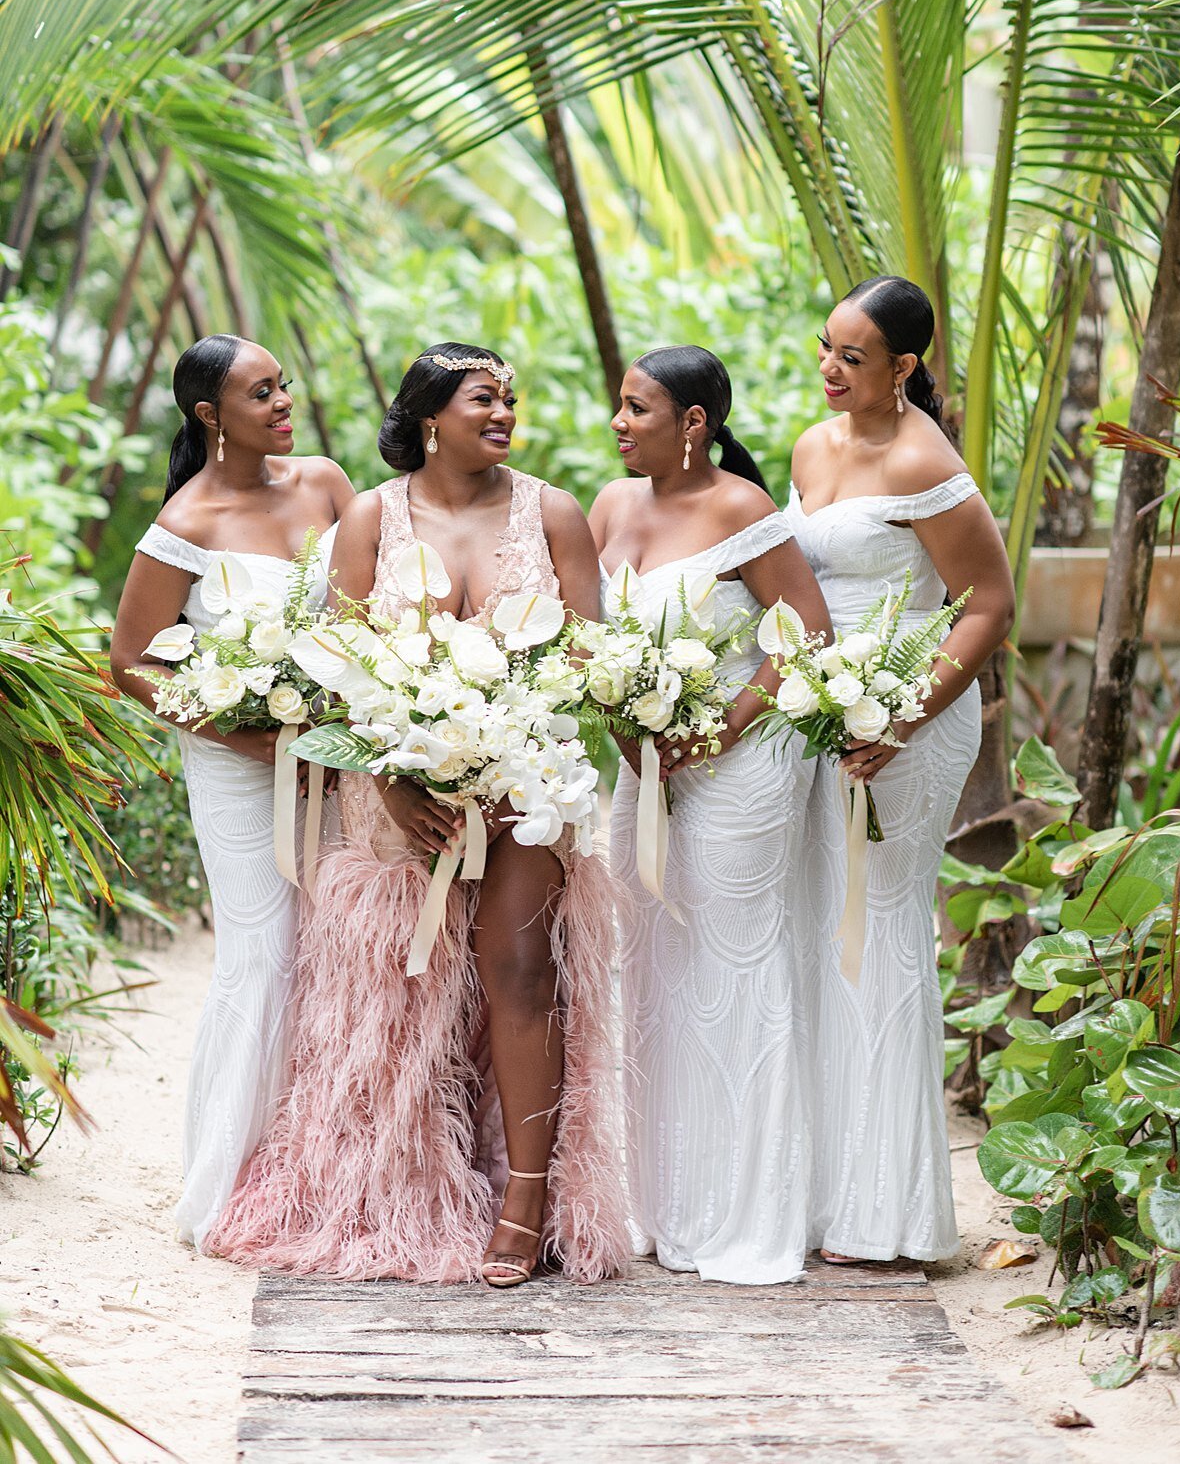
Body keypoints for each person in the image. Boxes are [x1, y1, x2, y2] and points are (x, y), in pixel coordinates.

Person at [208, 342, 628, 1287]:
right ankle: (404, 1186)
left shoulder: (553, 511)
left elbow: (593, 659)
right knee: (407, 989)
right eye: (485, 398)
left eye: (510, 398)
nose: (505, 412)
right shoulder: (370, 516)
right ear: (431, 414)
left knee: (520, 970)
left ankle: (525, 1201)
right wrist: (397, 775)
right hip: (397, 787)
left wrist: (517, 739)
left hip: (526, 780)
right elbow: (341, 668)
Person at [785, 277, 1015, 1263]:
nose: (830, 370)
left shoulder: (928, 465)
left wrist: (905, 714)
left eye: (852, 357)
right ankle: (833, 1191)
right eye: (827, 349)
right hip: (830, 710)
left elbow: (988, 604)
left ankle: (893, 1216)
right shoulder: (810, 447)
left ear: (904, 367)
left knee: (882, 932)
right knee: (826, 931)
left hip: (918, 710)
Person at [590, 344, 830, 1284]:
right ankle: (666, 1205)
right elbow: (590, 637)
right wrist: (622, 722)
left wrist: (723, 730)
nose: (618, 421)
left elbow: (805, 628)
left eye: (637, 408)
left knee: (734, 972)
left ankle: (748, 1217)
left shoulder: (741, 509)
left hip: (740, 763)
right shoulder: (611, 507)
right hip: (640, 768)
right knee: (648, 966)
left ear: (693, 424)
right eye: (619, 405)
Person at [110, 335, 354, 1249]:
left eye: (283, 383)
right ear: (211, 415)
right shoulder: (186, 521)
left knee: (334, 948)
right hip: (236, 761)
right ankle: (229, 1181)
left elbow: (373, 598)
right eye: (261, 392)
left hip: (339, 754)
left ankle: (322, 1168)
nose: (283, 401)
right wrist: (245, 733)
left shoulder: (326, 482)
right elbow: (128, 661)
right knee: (262, 948)